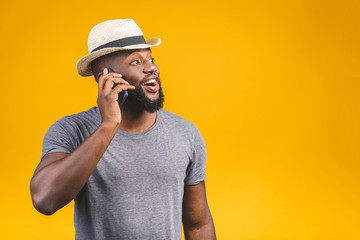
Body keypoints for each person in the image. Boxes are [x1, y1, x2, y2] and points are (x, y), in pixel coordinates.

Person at [30, 19, 216, 240]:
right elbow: (44, 200)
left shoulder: (186, 134)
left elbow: (198, 225)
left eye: (151, 58)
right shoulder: (71, 130)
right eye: (136, 62)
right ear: (106, 77)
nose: (151, 68)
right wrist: (108, 125)